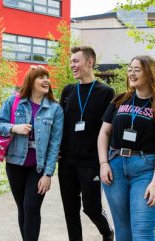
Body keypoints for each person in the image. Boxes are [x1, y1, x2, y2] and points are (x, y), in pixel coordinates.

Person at [98, 55, 155, 241]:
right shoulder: (119, 101)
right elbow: (103, 134)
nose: (131, 73)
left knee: (143, 233)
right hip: (115, 168)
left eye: (137, 69)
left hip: (145, 170)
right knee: (123, 231)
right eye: (130, 69)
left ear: (149, 73)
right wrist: (103, 163)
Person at [0, 65, 63, 241]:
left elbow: (55, 143)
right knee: (22, 208)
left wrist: (48, 173)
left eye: (47, 77)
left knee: (31, 207)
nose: (46, 80)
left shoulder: (55, 109)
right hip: (15, 163)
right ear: (31, 81)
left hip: (37, 166)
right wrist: (14, 128)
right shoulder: (13, 101)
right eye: (41, 77)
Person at [59, 46, 114, 241]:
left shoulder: (107, 92)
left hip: (91, 162)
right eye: (71, 61)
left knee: (91, 208)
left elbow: (108, 129)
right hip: (66, 162)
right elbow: (60, 124)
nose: (72, 65)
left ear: (89, 62)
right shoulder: (68, 90)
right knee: (70, 211)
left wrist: (104, 161)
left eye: (76, 61)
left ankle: (107, 233)